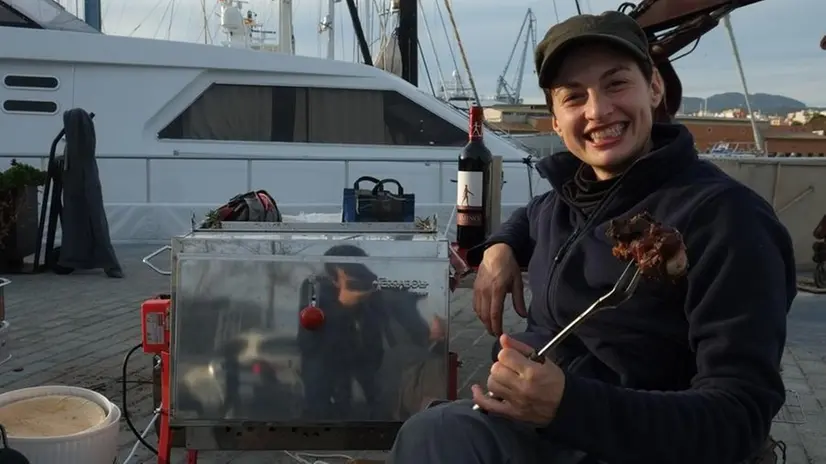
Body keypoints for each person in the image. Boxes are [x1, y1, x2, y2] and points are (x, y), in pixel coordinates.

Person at [386, 11, 795, 464]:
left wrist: (568, 405)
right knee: (428, 429)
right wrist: (500, 248)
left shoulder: (725, 218)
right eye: (574, 96)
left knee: (439, 437)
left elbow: (740, 416)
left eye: (616, 84)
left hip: (639, 444)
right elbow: (533, 217)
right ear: (557, 122)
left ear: (654, 88)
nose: (598, 110)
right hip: (541, 426)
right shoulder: (570, 197)